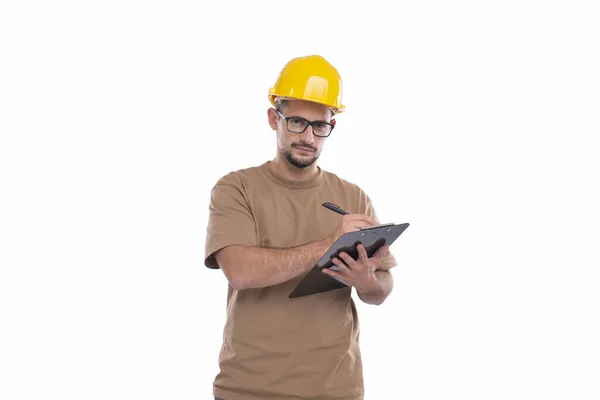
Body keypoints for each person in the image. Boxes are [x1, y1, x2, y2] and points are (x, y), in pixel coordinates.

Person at [204, 55, 398, 400]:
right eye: (296, 122)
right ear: (273, 119)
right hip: (248, 388)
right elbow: (240, 272)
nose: (308, 136)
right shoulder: (236, 188)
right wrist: (328, 244)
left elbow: (381, 288)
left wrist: (367, 281)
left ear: (330, 127)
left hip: (336, 389)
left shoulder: (354, 196)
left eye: (319, 125)